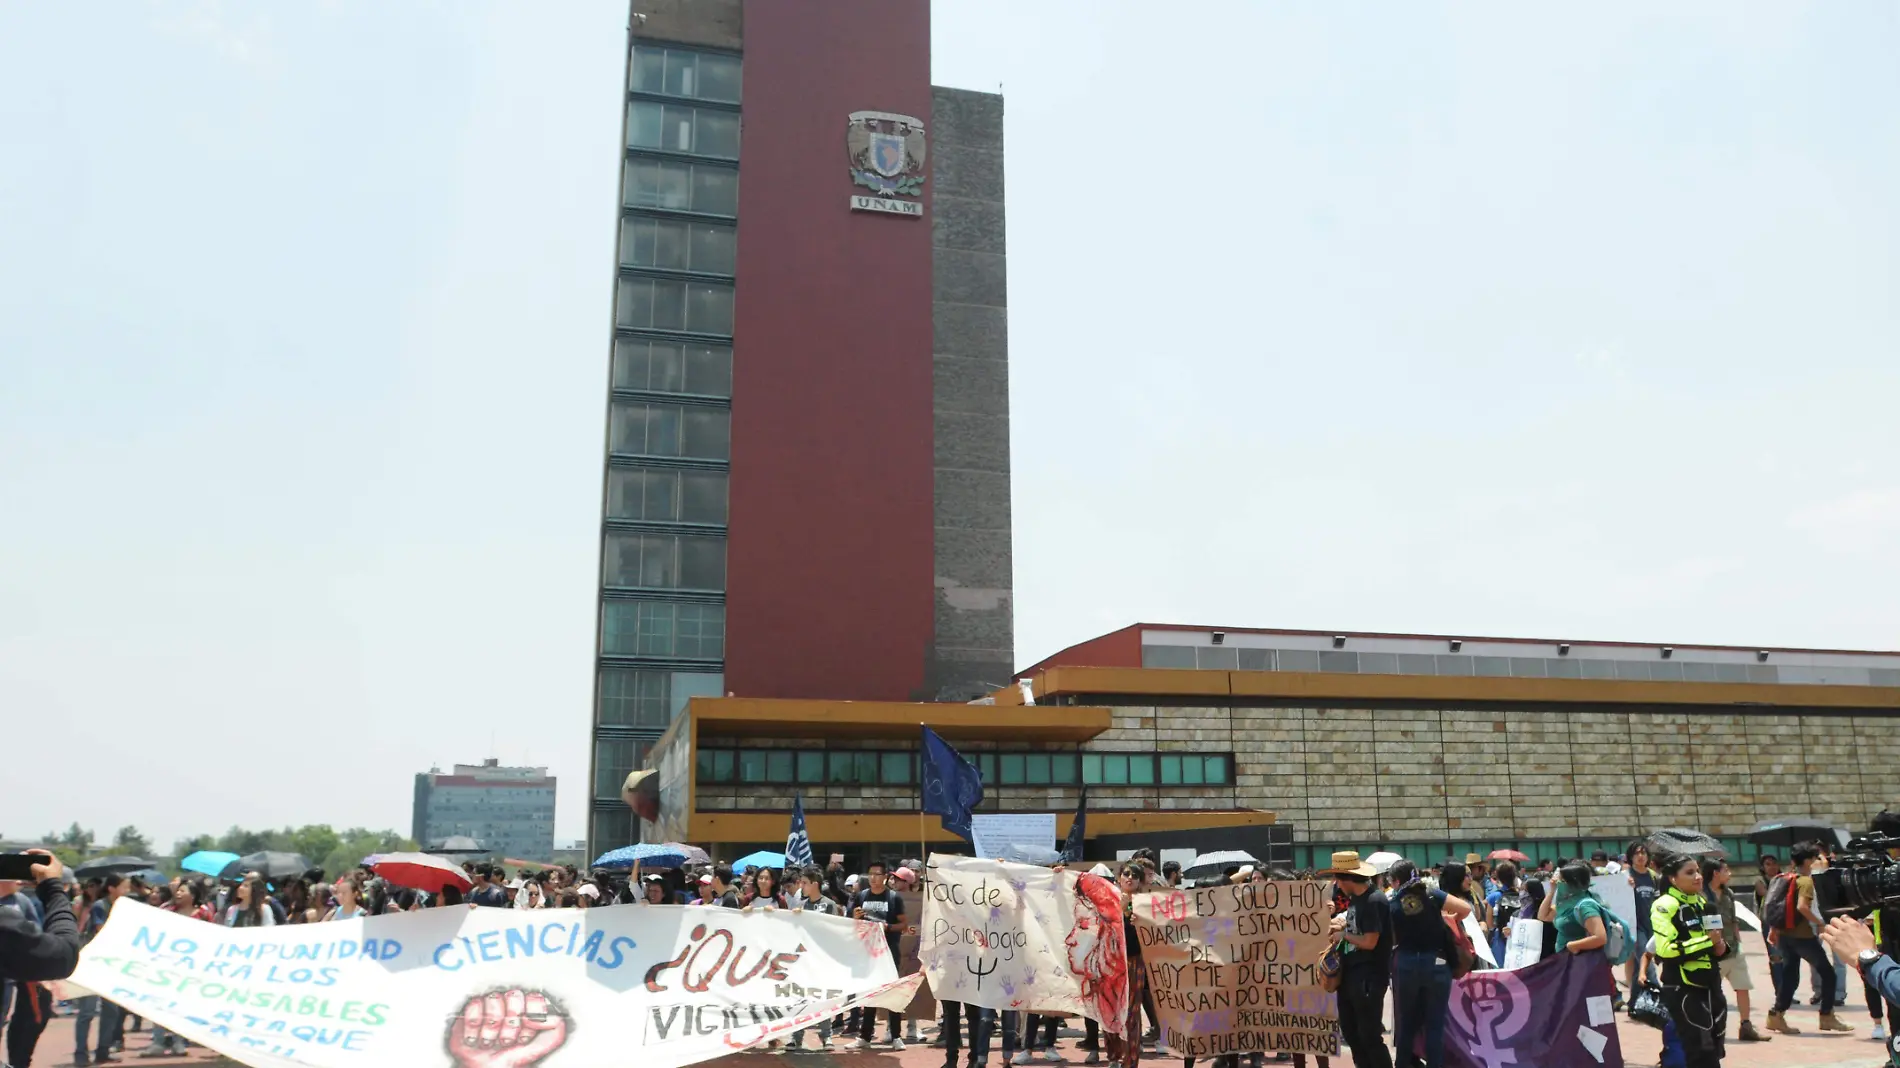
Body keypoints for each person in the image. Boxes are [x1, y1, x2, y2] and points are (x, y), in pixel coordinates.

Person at [1388, 861, 1473, 1068]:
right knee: (1435, 1025)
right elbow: (1465, 909)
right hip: (1437, 961)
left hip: (1407, 962)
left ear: (1396, 880)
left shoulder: (1392, 901)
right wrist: (1446, 919)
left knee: (1406, 1024)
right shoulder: (1433, 894)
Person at [1767, 841, 1853, 1034]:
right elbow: (1802, 907)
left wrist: (1774, 929)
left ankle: (1776, 1015)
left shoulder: (1784, 878)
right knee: (1829, 974)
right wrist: (1820, 923)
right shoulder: (1805, 881)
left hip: (1786, 936)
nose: (1816, 861)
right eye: (1814, 858)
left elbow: (1776, 905)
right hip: (1803, 937)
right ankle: (1826, 1016)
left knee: (1790, 977)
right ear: (1807, 861)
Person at [1650, 853, 1728, 1068]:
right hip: (1684, 987)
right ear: (1674, 879)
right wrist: (1707, 941)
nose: (1698, 877)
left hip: (1712, 984)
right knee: (1698, 1051)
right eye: (1690, 872)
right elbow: (1665, 950)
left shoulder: (1704, 902)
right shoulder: (1664, 905)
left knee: (1715, 1047)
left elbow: (1716, 943)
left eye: (1698, 871)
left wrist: (1721, 946)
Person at [1324, 851, 1391, 1068]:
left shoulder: (1374, 900)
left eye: (1337, 878)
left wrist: (1343, 935)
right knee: (1352, 1033)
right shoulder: (1357, 900)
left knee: (1369, 1035)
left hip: (1368, 978)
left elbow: (1371, 941)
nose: (1336, 884)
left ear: (1347, 878)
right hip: (1351, 975)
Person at [1698, 857, 1767, 1043]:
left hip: (1734, 950)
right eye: (1726, 870)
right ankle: (1708, 1029)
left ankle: (1746, 1026)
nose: (1729, 874)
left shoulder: (1728, 893)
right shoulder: (1701, 896)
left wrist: (1739, 941)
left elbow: (1734, 920)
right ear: (1715, 873)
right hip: (1713, 953)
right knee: (1710, 993)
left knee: (1743, 987)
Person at [851, 860, 907, 1050]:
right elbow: (853, 924)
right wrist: (856, 918)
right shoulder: (861, 896)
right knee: (870, 994)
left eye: (877, 874)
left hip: (890, 951)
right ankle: (865, 1036)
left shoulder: (894, 898)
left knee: (892, 992)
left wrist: (887, 927)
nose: (873, 878)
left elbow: (904, 925)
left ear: (885, 877)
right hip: (868, 952)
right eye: (871, 874)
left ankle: (896, 1035)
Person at [1627, 842, 1661, 1001]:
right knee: (1645, 959)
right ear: (1631, 856)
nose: (1640, 856)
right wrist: (1626, 886)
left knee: (1638, 966)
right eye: (1637, 853)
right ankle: (1659, 997)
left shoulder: (1654, 877)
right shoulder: (1626, 876)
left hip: (1652, 925)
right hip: (1635, 926)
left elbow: (1659, 900)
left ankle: (1634, 1001)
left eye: (1643, 853)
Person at [1485, 862, 1521, 969]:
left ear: (1498, 877)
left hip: (1500, 937)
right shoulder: (1522, 895)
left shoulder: (1494, 896)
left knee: (1500, 969)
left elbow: (1490, 923)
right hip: (1519, 936)